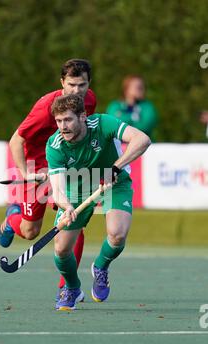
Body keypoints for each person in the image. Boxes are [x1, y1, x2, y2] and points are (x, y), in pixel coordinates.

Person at [0, 59, 97, 296]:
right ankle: (11, 220)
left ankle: (68, 288)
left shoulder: (90, 101)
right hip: (38, 167)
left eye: (82, 85)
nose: (77, 91)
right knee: (30, 230)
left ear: (88, 83)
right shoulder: (46, 108)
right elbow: (16, 141)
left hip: (67, 165)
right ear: (62, 82)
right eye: (71, 84)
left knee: (73, 219)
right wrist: (26, 174)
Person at [46, 94, 151, 311]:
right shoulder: (55, 145)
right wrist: (66, 207)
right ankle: (73, 288)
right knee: (61, 249)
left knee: (117, 234)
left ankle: (101, 266)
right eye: (58, 121)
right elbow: (57, 189)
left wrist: (115, 167)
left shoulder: (103, 123)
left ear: (83, 117)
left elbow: (142, 139)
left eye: (68, 120)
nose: (62, 127)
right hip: (78, 187)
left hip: (115, 182)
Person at [106, 75, 158, 141]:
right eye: (138, 88)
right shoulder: (115, 106)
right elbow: (113, 125)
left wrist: (124, 122)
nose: (142, 90)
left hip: (143, 145)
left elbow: (146, 126)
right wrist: (134, 119)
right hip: (119, 146)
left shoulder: (147, 106)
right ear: (126, 89)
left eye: (142, 87)